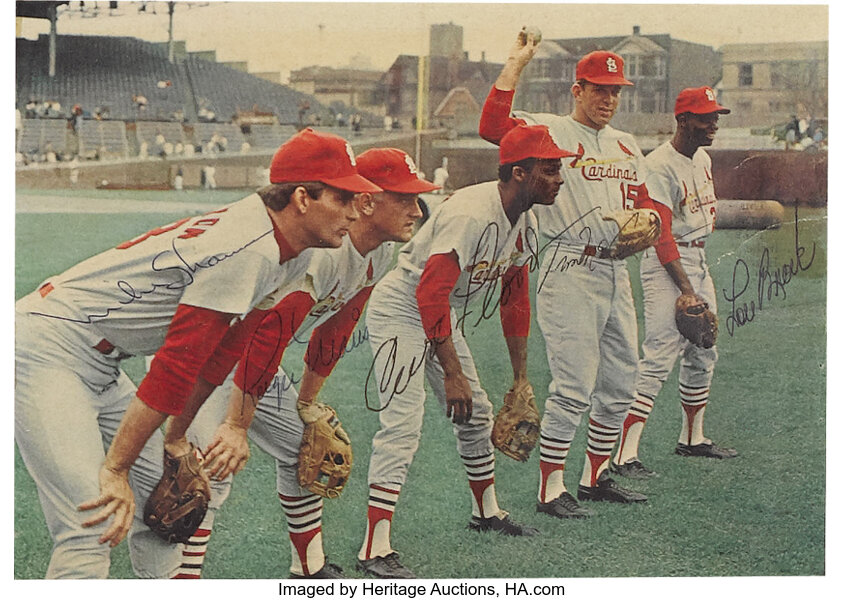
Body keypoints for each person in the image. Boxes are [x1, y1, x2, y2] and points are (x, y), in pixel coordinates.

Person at [14, 128, 379, 578]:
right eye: (344, 198)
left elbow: (223, 354)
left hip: (100, 360)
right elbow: (176, 364)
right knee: (93, 520)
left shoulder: (293, 250)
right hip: (45, 345)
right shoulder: (249, 247)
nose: (354, 212)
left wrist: (174, 437)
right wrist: (116, 468)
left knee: (172, 508)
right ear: (302, 198)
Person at [160, 148, 437, 579]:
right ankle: (182, 580)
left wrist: (308, 402)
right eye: (404, 198)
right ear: (367, 201)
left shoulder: (378, 252)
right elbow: (265, 338)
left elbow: (337, 327)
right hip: (208, 353)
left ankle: (307, 569)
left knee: (302, 448)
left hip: (251, 361)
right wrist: (235, 425)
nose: (417, 210)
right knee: (209, 469)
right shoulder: (326, 253)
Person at [356, 124, 571, 578]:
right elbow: (429, 293)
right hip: (403, 306)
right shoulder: (473, 214)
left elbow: (516, 297)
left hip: (439, 312)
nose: (559, 178)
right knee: (403, 423)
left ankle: (486, 512)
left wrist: (520, 377)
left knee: (478, 413)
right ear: (518, 172)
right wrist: (452, 374)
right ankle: (374, 547)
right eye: (549, 169)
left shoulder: (526, 220)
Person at [479, 31, 652, 520]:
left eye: (616, 90)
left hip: (616, 265)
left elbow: (638, 203)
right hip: (569, 261)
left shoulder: (627, 143)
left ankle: (594, 477)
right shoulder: (549, 130)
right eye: (599, 88)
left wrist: (645, 221)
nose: (609, 98)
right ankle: (551, 488)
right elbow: (492, 126)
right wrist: (516, 63)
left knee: (622, 380)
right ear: (576, 90)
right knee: (575, 383)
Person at [610, 87, 738, 478]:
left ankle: (693, 439)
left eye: (716, 116)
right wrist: (686, 289)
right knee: (661, 354)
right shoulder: (659, 165)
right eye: (705, 117)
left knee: (704, 347)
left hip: (697, 256)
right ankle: (624, 454)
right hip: (667, 261)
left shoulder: (702, 158)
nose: (713, 123)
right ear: (683, 120)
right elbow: (660, 233)